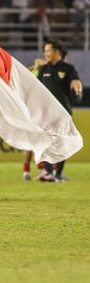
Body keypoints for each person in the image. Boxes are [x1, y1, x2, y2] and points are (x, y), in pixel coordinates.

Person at [36, 40, 83, 182]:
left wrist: (78, 92)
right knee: (45, 142)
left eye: (48, 51)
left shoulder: (68, 68)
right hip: (45, 113)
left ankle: (57, 174)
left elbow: (75, 82)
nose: (46, 54)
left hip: (63, 112)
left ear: (57, 52)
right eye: (45, 51)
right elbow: (36, 88)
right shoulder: (43, 70)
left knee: (62, 142)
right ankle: (49, 172)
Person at [22, 57, 46, 181]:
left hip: (28, 112)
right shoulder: (42, 76)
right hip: (36, 113)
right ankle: (42, 170)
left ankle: (26, 171)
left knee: (30, 143)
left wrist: (33, 66)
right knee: (38, 142)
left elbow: (24, 73)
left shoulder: (31, 74)